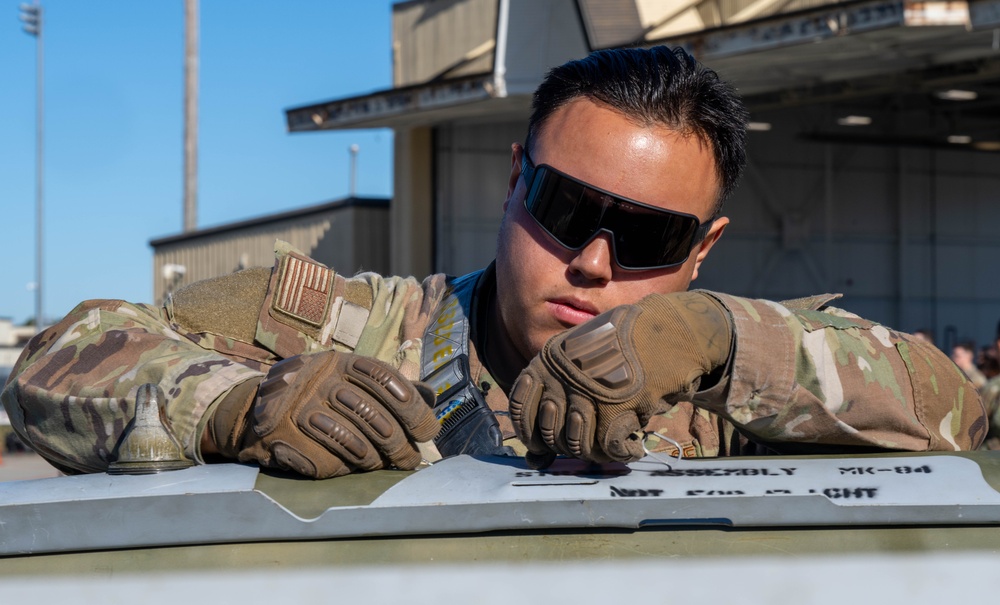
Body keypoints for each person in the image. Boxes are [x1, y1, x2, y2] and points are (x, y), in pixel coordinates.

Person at [0, 46, 985, 478]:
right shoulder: (340, 328)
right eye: (566, 208)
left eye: (645, 239)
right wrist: (232, 406)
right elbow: (59, 358)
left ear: (703, 250)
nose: (593, 262)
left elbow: (964, 416)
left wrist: (727, 341)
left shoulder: (729, 382)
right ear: (514, 180)